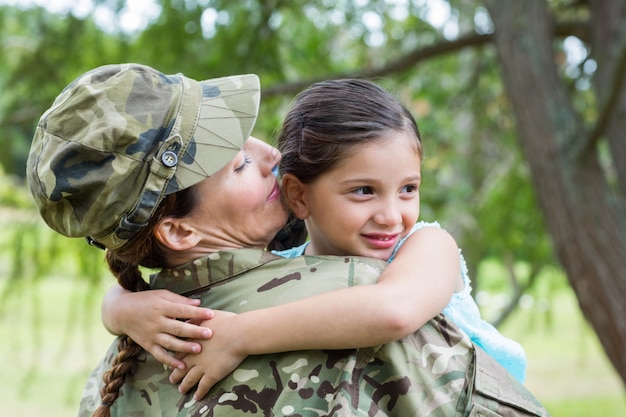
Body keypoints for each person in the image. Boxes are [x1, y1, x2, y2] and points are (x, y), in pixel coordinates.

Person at [27, 63, 548, 416]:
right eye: (239, 164)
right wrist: (122, 307)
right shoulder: (352, 293)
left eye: (408, 188)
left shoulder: (115, 373)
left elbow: (396, 304)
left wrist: (123, 309)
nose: (273, 156)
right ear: (179, 230)